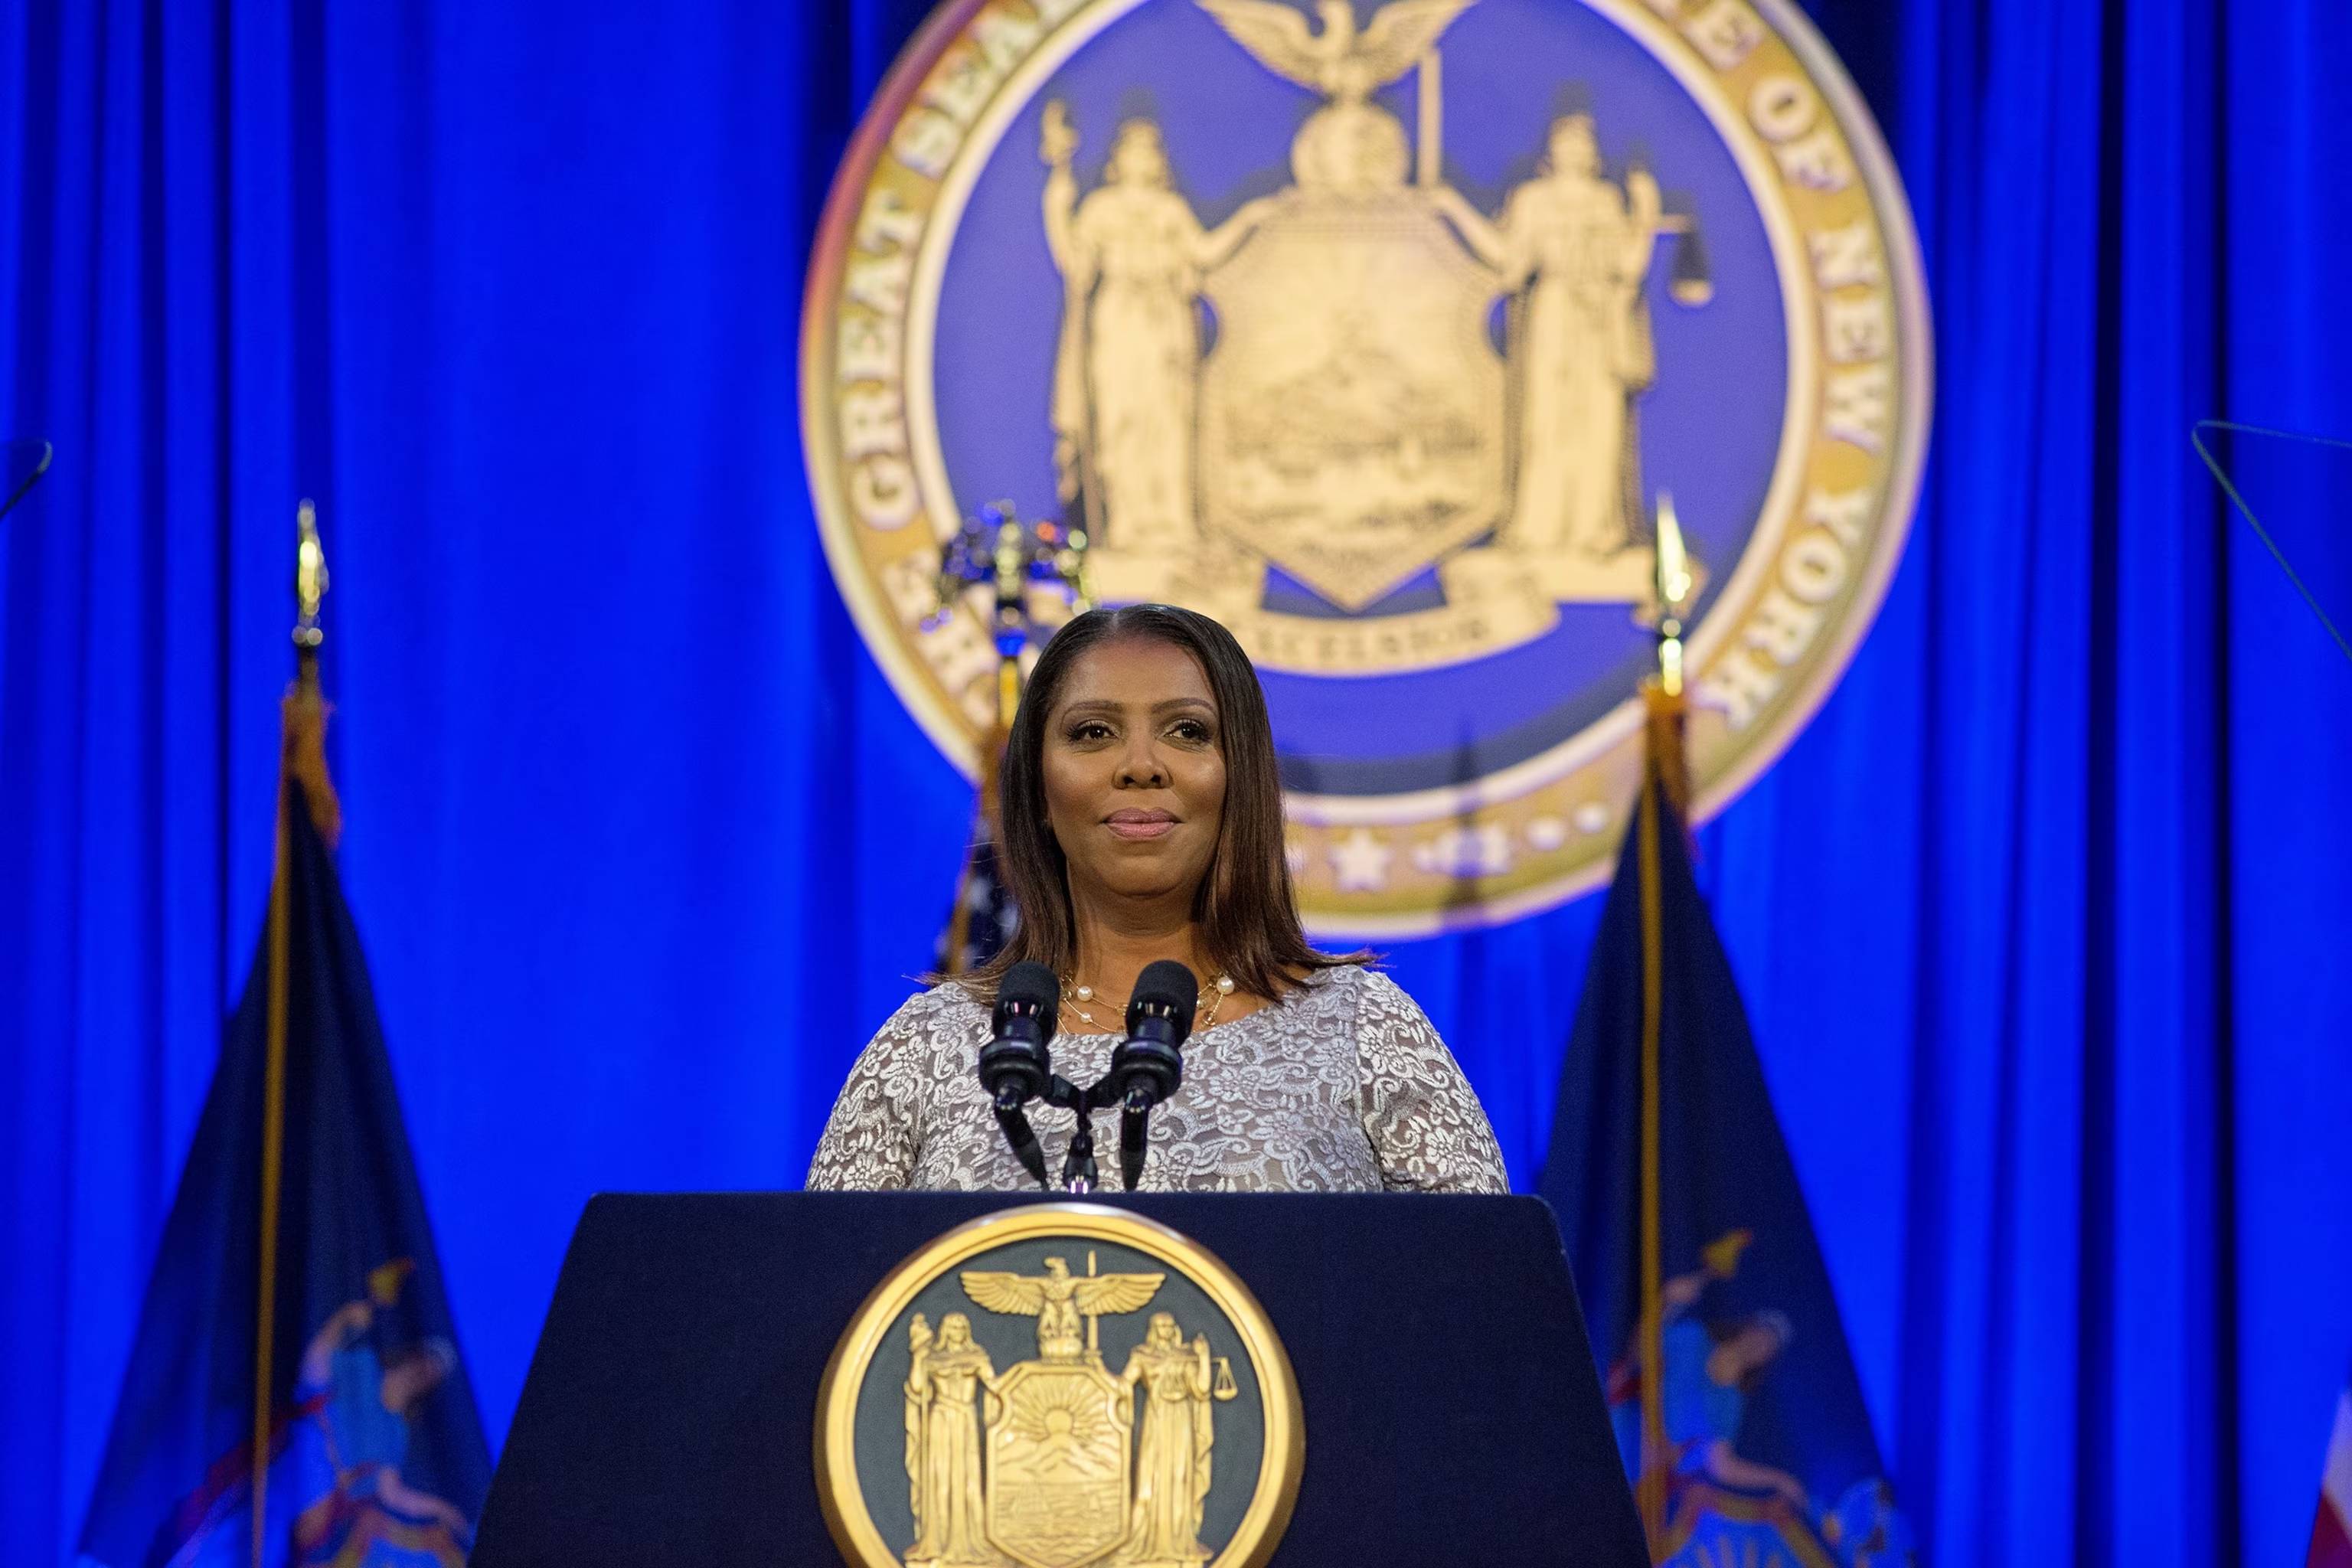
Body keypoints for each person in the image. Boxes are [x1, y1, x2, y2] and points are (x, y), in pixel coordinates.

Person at [807, 603, 1508, 1193]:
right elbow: (833, 1327)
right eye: (1092, 733)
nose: (1141, 766)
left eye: (1187, 732)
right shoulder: (926, 1047)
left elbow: (1481, 1312)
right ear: (1039, 791)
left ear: (1240, 778)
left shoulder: (1366, 1031)